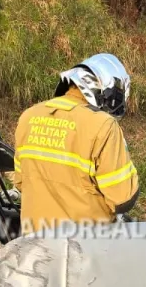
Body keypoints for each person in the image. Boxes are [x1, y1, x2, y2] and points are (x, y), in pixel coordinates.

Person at [12, 53, 139, 234]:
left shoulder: (28, 116)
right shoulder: (103, 126)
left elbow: (20, 182)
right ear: (107, 89)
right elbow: (123, 198)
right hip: (84, 246)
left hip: (33, 242)